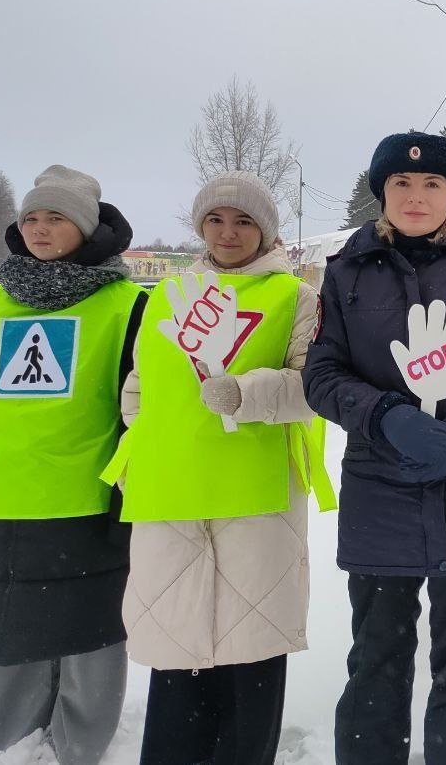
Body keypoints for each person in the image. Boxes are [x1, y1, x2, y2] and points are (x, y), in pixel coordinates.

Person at [302, 132, 446, 765]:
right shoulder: (345, 275)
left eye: (432, 183)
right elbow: (321, 376)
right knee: (375, 659)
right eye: (401, 183)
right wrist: (385, 416)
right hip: (380, 491)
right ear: (382, 193)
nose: (416, 196)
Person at [103, 171, 332, 765]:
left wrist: (245, 394)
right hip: (171, 496)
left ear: (266, 230)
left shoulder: (295, 298)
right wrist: (145, 442)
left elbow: (314, 387)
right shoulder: (167, 296)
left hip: (253, 500)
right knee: (178, 659)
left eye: (243, 221)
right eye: (215, 220)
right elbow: (140, 385)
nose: (228, 232)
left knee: (250, 660)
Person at [0, 166, 147, 763]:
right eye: (31, 217)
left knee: (91, 632)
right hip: (5, 497)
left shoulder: (128, 306)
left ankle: (83, 746)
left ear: (86, 227)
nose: (39, 228)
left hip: (88, 496)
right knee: (12, 628)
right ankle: (13, 741)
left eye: (55, 217)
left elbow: (141, 409)